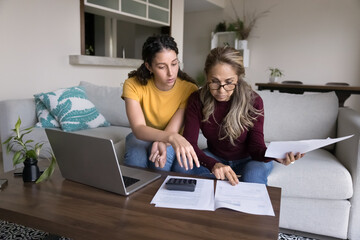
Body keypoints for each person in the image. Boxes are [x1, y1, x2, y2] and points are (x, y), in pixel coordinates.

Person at [173, 46, 304, 185]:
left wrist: (276, 156)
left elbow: (256, 147)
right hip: (215, 156)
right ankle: (230, 183)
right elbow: (190, 144)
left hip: (250, 159)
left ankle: (226, 183)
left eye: (229, 82)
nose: (221, 90)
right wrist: (213, 164)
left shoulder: (254, 101)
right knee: (180, 167)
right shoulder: (197, 99)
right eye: (215, 81)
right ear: (207, 76)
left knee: (252, 177)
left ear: (238, 78)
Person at [121, 35, 200, 172]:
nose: (171, 73)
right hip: (146, 136)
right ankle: (133, 192)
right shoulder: (132, 84)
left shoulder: (188, 89)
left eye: (174, 64)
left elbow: (173, 130)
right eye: (162, 67)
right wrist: (169, 137)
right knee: (135, 157)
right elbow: (138, 128)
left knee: (160, 164)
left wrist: (165, 139)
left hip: (172, 137)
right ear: (149, 66)